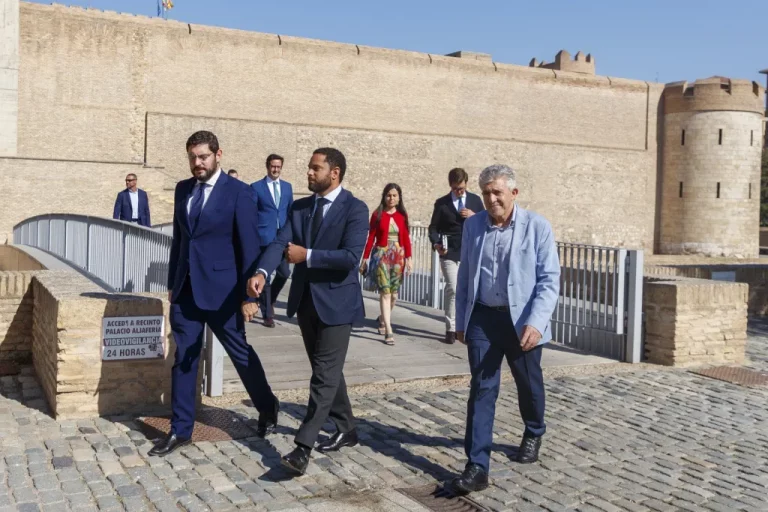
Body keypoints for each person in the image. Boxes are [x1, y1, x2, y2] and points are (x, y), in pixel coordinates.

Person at [149, 131, 279, 457]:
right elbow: (180, 241)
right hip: (186, 291)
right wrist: (172, 282)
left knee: (240, 354)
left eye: (203, 157)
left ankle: (267, 406)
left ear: (218, 155)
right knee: (184, 358)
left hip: (225, 293)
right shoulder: (183, 189)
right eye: (193, 157)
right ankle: (181, 430)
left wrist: (250, 298)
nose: (198, 163)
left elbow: (249, 247)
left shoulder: (239, 192)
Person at [248, 148, 368, 476]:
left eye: (316, 168)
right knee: (326, 369)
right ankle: (347, 428)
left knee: (323, 375)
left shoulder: (355, 209)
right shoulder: (300, 207)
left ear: (335, 173)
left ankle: (303, 447)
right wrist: (262, 272)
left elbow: (350, 257)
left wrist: (308, 255)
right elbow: (279, 243)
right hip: (305, 302)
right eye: (309, 168)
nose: (309, 173)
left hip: (338, 304)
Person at [450, 164, 559, 495]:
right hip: (483, 318)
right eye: (486, 192)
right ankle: (477, 466)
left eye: (497, 192)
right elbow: (465, 276)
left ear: (514, 193)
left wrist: (536, 322)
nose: (491, 199)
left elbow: (549, 280)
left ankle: (534, 429)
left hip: (521, 321)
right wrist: (460, 321)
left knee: (528, 383)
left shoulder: (537, 226)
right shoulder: (473, 226)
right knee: (482, 389)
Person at [428, 168, 484, 344]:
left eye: (461, 188)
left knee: (469, 290)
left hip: (470, 252)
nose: (459, 192)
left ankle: (466, 326)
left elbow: (486, 221)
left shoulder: (475, 201)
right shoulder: (442, 203)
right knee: (453, 288)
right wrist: (436, 244)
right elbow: (433, 228)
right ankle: (451, 329)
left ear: (466, 183)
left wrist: (474, 215)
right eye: (455, 189)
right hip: (449, 252)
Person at [360, 183, 412, 345]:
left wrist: (409, 258)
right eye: (389, 195)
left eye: (394, 195)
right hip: (381, 255)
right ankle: (388, 329)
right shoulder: (377, 215)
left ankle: (383, 318)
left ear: (399, 198)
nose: (391, 198)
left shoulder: (402, 216)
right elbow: (371, 237)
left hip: (398, 257)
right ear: (384, 197)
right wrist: (365, 258)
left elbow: (406, 238)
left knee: (394, 295)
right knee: (385, 293)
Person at [250, 154, 293, 328]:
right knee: (265, 277)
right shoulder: (256, 187)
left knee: (284, 272)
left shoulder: (287, 187)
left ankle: (271, 299)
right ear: (267, 166)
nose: (276, 169)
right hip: (263, 237)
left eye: (278, 167)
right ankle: (267, 315)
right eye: (273, 166)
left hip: (282, 238)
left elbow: (290, 212)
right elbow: (252, 213)